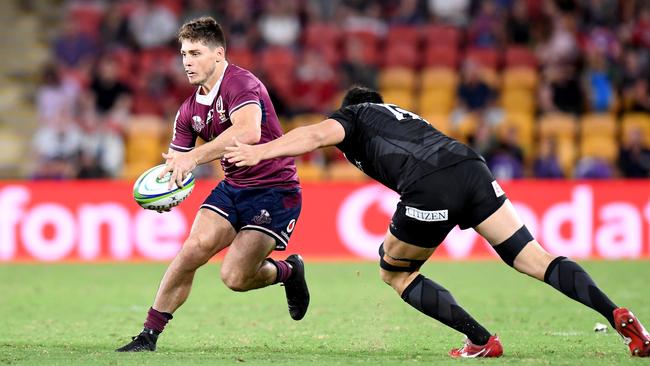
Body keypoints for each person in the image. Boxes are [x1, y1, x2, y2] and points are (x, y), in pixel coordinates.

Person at [225, 86, 650, 358]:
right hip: (471, 167)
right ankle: (620, 316)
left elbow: (315, 135)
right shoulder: (403, 115)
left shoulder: (355, 116)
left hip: (430, 186)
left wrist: (262, 151)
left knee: (394, 272)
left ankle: (481, 341)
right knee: (532, 257)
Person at [116, 17, 309, 352]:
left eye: (195, 52)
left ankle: (289, 271)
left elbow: (248, 131)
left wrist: (195, 157)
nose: (187, 61)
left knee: (234, 277)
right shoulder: (188, 111)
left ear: (218, 54)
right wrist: (164, 186)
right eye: (183, 54)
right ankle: (149, 334)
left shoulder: (241, 83)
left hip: (275, 190)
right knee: (192, 250)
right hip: (233, 188)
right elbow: (177, 162)